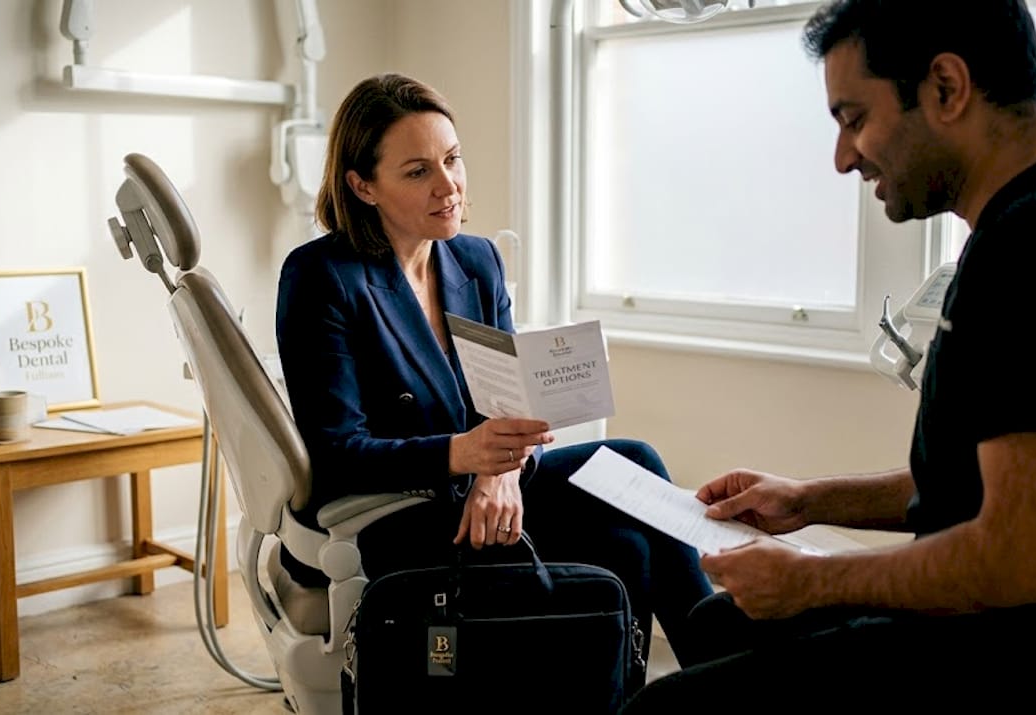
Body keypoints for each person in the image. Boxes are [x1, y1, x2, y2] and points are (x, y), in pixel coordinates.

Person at [622, 0, 1036, 709]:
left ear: (946, 88)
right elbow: (979, 480)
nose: (845, 157)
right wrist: (808, 500)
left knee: (659, 712)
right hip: (990, 618)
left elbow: (1021, 562)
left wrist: (812, 580)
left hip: (1034, 650)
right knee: (715, 620)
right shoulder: (1030, 220)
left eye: (854, 119)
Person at [275, 73, 714, 671]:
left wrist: (498, 477)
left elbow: (503, 403)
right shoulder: (322, 277)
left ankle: (706, 671)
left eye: (452, 159)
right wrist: (464, 456)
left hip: (477, 486)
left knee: (632, 469)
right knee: (625, 545)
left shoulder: (476, 259)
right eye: (417, 171)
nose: (448, 185)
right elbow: (337, 450)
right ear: (362, 185)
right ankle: (719, 669)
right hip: (394, 509)